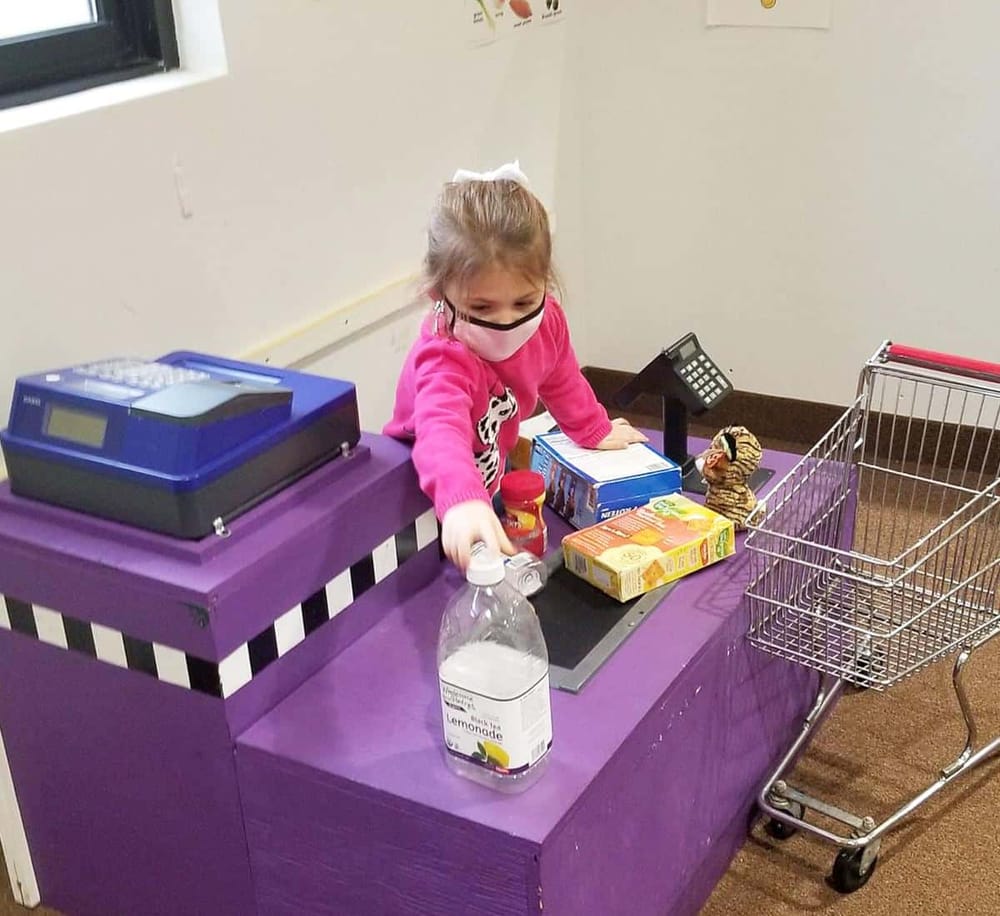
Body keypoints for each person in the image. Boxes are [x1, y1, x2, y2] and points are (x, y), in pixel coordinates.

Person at [384, 161, 647, 569]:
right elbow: (440, 432)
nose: (507, 321)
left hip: (483, 478)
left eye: (523, 302)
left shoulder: (548, 322)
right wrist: (462, 501)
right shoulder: (445, 356)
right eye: (482, 307)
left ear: (545, 283)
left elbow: (561, 377)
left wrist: (592, 428)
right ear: (440, 294)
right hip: (420, 494)